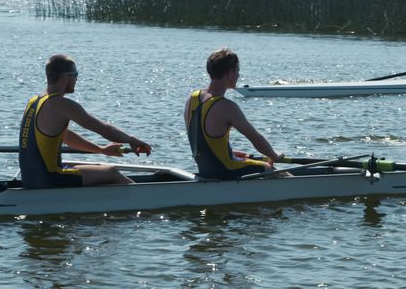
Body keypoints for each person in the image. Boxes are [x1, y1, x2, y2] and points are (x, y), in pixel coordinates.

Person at [18, 54, 152, 189]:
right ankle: (146, 201)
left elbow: (66, 137)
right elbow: (103, 129)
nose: (77, 79)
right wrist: (131, 139)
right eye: (76, 74)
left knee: (94, 168)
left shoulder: (34, 101)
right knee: (110, 172)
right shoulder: (62, 104)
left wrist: (102, 150)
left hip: (30, 178)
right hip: (49, 178)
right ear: (66, 77)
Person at [185, 47, 287, 180]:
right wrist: (274, 155)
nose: (239, 75)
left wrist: (230, 153)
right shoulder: (226, 106)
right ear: (229, 73)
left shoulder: (192, 98)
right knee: (268, 168)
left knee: (250, 163)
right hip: (224, 170)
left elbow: (201, 141)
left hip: (205, 168)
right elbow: (256, 139)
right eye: (237, 70)